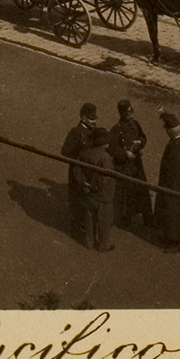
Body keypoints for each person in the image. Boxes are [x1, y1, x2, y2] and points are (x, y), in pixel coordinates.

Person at [61, 103, 113, 250]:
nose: (94, 121)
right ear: (83, 118)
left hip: (92, 175)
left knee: (89, 203)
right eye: (91, 119)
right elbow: (65, 153)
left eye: (95, 118)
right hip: (79, 173)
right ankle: (76, 229)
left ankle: (87, 230)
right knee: (77, 201)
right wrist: (79, 159)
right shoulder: (75, 133)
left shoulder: (93, 131)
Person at [110, 99, 151, 230]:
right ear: (122, 114)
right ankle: (125, 219)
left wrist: (140, 143)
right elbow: (111, 148)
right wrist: (124, 153)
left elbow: (143, 137)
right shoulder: (116, 129)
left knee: (142, 190)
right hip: (125, 167)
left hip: (137, 165)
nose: (130, 116)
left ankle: (147, 218)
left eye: (131, 113)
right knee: (126, 194)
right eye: (127, 114)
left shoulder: (136, 124)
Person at [156, 111, 180, 253]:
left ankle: (177, 243)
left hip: (174, 186)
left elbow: (174, 171)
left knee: (174, 214)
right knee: (172, 213)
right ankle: (169, 237)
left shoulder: (177, 148)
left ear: (170, 131)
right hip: (177, 184)